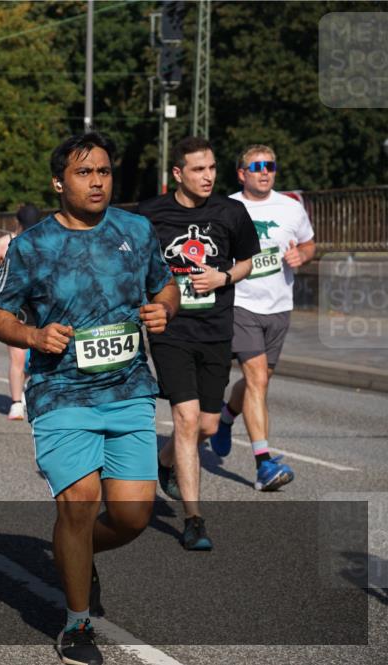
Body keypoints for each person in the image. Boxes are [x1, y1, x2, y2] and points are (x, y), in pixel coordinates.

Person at [0, 132, 177, 665]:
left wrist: (165, 310)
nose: (97, 181)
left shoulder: (135, 230)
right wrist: (33, 337)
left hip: (130, 387)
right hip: (61, 390)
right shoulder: (32, 245)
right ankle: (76, 623)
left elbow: (165, 286)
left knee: (134, 516)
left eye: (104, 172)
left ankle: (78, 551)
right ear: (58, 182)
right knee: (79, 502)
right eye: (84, 173)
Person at [138, 136, 259, 551]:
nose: (207, 177)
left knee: (206, 423)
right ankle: (194, 520)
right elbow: (131, 260)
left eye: (211, 168)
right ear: (178, 173)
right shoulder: (151, 214)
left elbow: (247, 260)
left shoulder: (231, 211)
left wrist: (222, 278)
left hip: (216, 329)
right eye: (198, 169)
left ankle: (166, 460)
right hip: (171, 330)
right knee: (186, 420)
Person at [209, 144, 314, 490]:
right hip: (241, 304)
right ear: (241, 173)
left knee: (261, 380)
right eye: (256, 166)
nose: (264, 171)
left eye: (270, 165)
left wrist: (303, 254)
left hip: (279, 307)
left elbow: (309, 243)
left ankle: (226, 418)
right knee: (256, 378)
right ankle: (263, 464)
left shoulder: (291, 207)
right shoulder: (225, 207)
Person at [0, 203, 42, 420]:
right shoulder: (5, 243)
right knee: (17, 356)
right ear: (18, 224)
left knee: (38, 355)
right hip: (15, 306)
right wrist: (6, 282)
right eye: (27, 227)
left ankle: (28, 391)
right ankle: (16, 403)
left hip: (38, 305)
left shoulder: (42, 241)